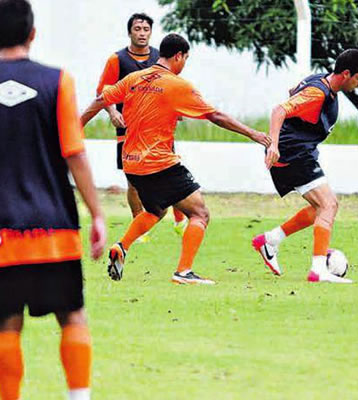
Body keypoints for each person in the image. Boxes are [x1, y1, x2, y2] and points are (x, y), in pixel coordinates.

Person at [81, 33, 270, 285]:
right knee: (200, 213)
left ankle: (121, 246)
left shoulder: (134, 78)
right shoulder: (177, 84)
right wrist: (253, 133)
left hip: (131, 162)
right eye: (185, 59)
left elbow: (101, 99)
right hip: (159, 162)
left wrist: (75, 127)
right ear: (179, 56)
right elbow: (216, 116)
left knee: (155, 210)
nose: (184, 65)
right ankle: (184, 271)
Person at [0, 1, 106, 399]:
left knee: (6, 323)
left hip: (3, 237)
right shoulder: (57, 81)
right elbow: (74, 152)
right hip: (55, 230)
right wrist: (97, 214)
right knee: (72, 315)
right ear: (32, 34)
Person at [252, 49, 358, 283]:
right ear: (346, 74)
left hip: (298, 151)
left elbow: (292, 93)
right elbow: (280, 109)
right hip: (291, 152)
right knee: (329, 205)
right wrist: (273, 144)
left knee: (321, 208)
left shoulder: (320, 81)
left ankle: (270, 240)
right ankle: (318, 270)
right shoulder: (318, 93)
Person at [95, 12, 187, 235]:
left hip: (158, 128)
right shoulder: (116, 60)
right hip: (127, 129)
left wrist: (179, 108)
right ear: (130, 33)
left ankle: (179, 217)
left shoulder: (160, 57)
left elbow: (174, 85)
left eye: (146, 29)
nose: (142, 33)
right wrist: (112, 112)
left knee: (171, 170)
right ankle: (140, 225)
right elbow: (102, 91)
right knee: (134, 180)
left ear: (151, 33)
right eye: (137, 29)